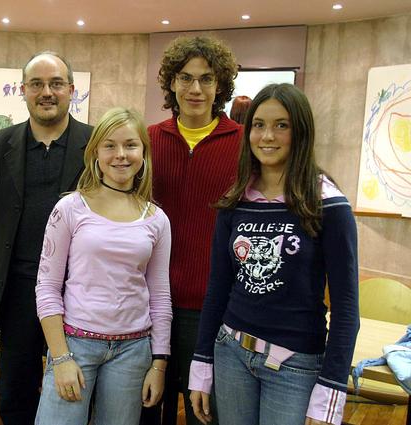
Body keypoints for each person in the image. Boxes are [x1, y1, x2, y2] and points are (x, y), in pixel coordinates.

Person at [189, 83, 360, 425]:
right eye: (259, 125)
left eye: (281, 125)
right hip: (231, 354)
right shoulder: (235, 201)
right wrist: (201, 363)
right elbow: (218, 289)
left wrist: (329, 391)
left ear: (301, 132)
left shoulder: (328, 204)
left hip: (295, 366)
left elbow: (346, 309)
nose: (267, 136)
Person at [34, 107, 172, 425]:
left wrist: (159, 363)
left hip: (133, 351)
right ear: (96, 152)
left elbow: (160, 297)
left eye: (130, 145)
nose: (120, 155)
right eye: (110, 145)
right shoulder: (70, 208)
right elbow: (47, 287)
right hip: (75, 345)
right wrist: (61, 357)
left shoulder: (157, 219)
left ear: (143, 153)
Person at [0, 51, 93, 424]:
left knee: (76, 388)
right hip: (17, 287)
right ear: (24, 90)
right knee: (15, 390)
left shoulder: (95, 143)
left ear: (71, 90)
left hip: (77, 288)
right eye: (37, 84)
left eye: (56, 83)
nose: (47, 92)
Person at [143, 36, 243, 425]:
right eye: (185, 78)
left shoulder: (242, 145)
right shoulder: (149, 140)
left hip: (212, 308)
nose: (195, 89)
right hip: (148, 303)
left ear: (220, 85)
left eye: (206, 79)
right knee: (145, 410)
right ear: (172, 82)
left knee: (205, 413)